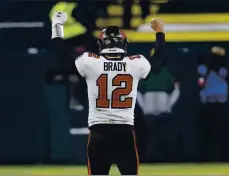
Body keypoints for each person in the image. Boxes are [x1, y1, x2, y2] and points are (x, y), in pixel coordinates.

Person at [51, 12, 166, 175]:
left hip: (99, 133)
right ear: (124, 44)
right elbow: (159, 57)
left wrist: (57, 25)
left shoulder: (89, 62)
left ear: (101, 44)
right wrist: (160, 32)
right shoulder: (135, 63)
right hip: (124, 134)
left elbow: (61, 54)